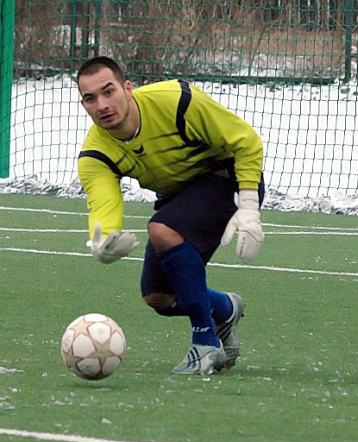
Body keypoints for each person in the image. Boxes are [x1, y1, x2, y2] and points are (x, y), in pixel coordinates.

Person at [76, 56, 266, 376]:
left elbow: (245, 142)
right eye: (90, 98)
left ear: (127, 89)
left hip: (228, 177)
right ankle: (225, 308)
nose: (102, 104)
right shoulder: (95, 155)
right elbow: (104, 202)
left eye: (109, 92)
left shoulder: (179, 102)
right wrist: (104, 237)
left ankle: (205, 343)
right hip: (181, 196)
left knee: (162, 229)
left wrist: (248, 206)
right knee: (159, 297)